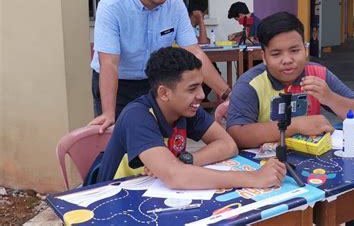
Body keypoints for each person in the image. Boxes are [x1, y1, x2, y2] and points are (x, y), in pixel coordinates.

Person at [225, 12, 354, 225]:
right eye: (276, 53)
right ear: (263, 56)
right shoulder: (250, 84)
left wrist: (329, 96)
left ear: (306, 50)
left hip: (314, 165)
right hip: (267, 171)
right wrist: (295, 125)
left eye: (295, 50)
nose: (287, 60)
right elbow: (237, 134)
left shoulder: (317, 74)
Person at [96, 47, 286, 190]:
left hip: (154, 192)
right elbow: (175, 177)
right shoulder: (137, 116)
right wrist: (252, 178)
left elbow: (228, 145)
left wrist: (185, 160)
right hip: (117, 197)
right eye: (192, 88)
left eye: (201, 86)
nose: (202, 95)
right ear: (164, 93)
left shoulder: (186, 109)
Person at [89, 0, 230, 133]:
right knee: (120, 141)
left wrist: (226, 94)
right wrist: (109, 113)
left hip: (155, 83)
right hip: (118, 84)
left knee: (160, 138)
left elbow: (195, 53)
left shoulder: (176, 6)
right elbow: (109, 63)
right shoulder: (111, 6)